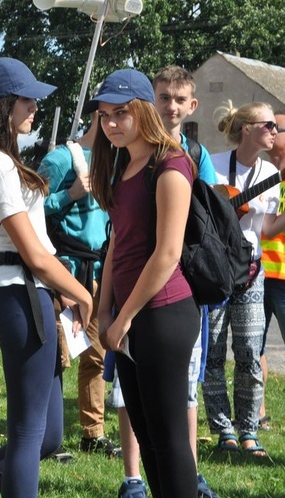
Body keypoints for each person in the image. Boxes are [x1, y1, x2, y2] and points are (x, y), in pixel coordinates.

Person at [0, 57, 92, 498]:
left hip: (22, 296)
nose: (34, 106)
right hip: (18, 296)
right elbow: (33, 252)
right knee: (30, 433)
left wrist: (63, 293)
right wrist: (81, 295)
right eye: (26, 98)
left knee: (47, 435)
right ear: (3, 104)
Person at [89, 69, 200, 497]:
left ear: (142, 109)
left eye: (121, 113)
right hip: (130, 315)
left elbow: (167, 254)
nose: (111, 123)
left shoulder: (171, 163)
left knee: (170, 440)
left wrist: (124, 316)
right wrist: (104, 307)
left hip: (163, 314)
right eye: (104, 115)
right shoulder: (123, 164)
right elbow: (118, 240)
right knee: (147, 434)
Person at [203, 101, 284, 459]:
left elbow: (265, 229)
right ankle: (224, 431)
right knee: (215, 354)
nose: (275, 132)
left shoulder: (272, 175)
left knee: (251, 353)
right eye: (269, 125)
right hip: (216, 270)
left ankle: (249, 430)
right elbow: (203, 213)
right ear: (247, 128)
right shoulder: (215, 166)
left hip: (251, 271)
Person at [152, 65, 219, 498]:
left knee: (186, 385)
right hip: (142, 274)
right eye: (164, 97)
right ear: (152, 99)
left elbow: (212, 215)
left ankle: (189, 475)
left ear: (192, 106)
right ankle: (138, 476)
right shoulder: (134, 146)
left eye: (180, 100)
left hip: (186, 278)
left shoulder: (197, 154)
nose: (171, 106)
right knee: (138, 389)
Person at [39, 105, 118, 457]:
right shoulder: (60, 160)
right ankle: (45, 435)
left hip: (100, 270)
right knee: (54, 357)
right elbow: (27, 210)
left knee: (97, 356)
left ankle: (93, 433)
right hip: (64, 270)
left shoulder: (119, 162)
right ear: (101, 117)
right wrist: (69, 195)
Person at [260, 109, 285, 432]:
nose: (269, 132)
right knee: (253, 349)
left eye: (274, 127)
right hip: (255, 273)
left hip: (282, 277)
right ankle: (259, 414)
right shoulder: (263, 173)